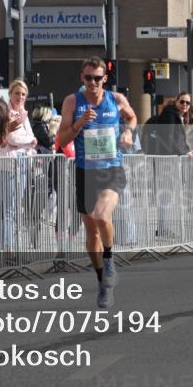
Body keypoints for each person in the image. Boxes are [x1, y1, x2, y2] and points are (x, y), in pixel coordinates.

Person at [57, 57, 138, 309]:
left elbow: (132, 117)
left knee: (102, 215)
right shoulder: (72, 102)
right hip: (85, 171)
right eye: (88, 78)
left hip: (111, 169)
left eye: (98, 78)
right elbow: (61, 139)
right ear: (82, 78)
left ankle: (110, 259)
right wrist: (79, 123)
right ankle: (103, 280)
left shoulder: (116, 99)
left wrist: (128, 132)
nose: (93, 82)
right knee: (91, 231)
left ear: (105, 79)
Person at [144, 92, 191, 156]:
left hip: (171, 155)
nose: (185, 104)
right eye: (182, 102)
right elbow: (168, 137)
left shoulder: (180, 117)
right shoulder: (170, 114)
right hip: (164, 155)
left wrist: (188, 151)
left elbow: (181, 141)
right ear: (176, 102)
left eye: (187, 103)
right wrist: (185, 152)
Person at [0, 79, 37, 156]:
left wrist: (29, 142)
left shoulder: (24, 113)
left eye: (23, 94)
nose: (20, 97)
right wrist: (30, 141)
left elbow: (32, 139)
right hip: (9, 159)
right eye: (17, 93)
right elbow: (12, 139)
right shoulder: (5, 112)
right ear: (10, 94)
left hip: (25, 158)